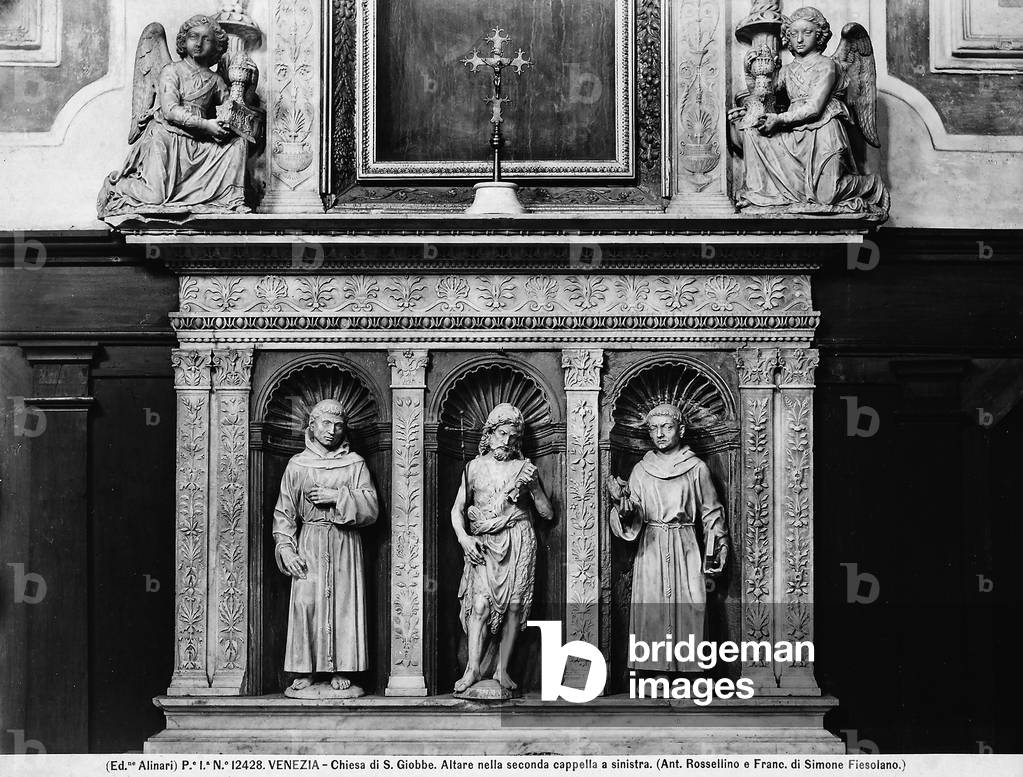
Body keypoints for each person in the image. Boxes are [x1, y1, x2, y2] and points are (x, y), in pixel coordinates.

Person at [728, 6, 889, 215]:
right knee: (751, 133)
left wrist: (779, 119)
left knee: (827, 195)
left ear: (819, 35)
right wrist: (751, 71)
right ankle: (763, 193)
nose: (799, 39)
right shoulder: (787, 70)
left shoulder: (827, 65)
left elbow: (814, 108)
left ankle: (871, 185)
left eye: (807, 32)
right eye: (794, 33)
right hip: (794, 133)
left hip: (824, 130)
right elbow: (764, 93)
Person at [606, 404, 728, 672]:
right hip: (651, 546)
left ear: (680, 430)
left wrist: (717, 547)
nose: (660, 434)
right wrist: (624, 509)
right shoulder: (641, 470)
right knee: (653, 608)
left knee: (691, 605)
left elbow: (711, 513)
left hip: (686, 545)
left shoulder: (696, 468)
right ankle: (655, 673)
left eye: (666, 427)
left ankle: (690, 672)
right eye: (654, 428)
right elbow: (632, 515)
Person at [273, 399, 379, 693]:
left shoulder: (355, 463)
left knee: (343, 605)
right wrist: (286, 549)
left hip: (345, 542)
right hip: (309, 542)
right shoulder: (298, 465)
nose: (332, 430)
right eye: (326, 423)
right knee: (306, 604)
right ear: (312, 425)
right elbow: (284, 514)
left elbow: (372, 508)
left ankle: (341, 669)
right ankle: (306, 670)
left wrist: (337, 496)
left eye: (339, 425)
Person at [98, 15, 250, 216]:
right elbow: (170, 110)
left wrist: (247, 86)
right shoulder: (171, 70)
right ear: (183, 41)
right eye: (194, 36)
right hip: (166, 137)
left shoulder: (216, 80)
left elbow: (233, 113)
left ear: (216, 47)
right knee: (155, 198)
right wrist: (207, 125)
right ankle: (116, 185)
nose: (199, 43)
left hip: (199, 143)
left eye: (206, 39)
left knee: (238, 144)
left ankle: (231, 199)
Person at [451, 403, 554, 693]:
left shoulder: (524, 468)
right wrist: (463, 538)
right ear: (490, 433)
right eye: (501, 434)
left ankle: (502, 669)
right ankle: (472, 669)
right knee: (480, 605)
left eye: (512, 436)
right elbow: (457, 510)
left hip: (518, 539)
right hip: (484, 542)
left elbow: (547, 513)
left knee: (515, 606)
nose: (506, 441)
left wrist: (534, 489)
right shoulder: (474, 467)